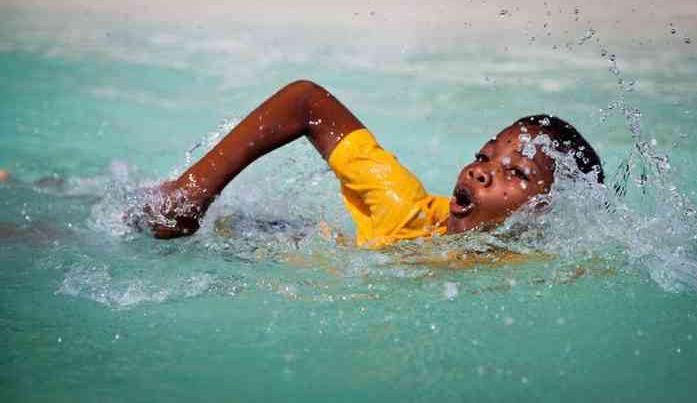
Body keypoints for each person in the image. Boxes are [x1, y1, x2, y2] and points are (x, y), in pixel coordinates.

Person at [133, 80, 603, 248]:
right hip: (241, 242)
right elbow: (306, 102)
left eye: (515, 173)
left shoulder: (534, 266)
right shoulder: (402, 208)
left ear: (547, 211)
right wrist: (190, 193)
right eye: (483, 157)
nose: (481, 171)